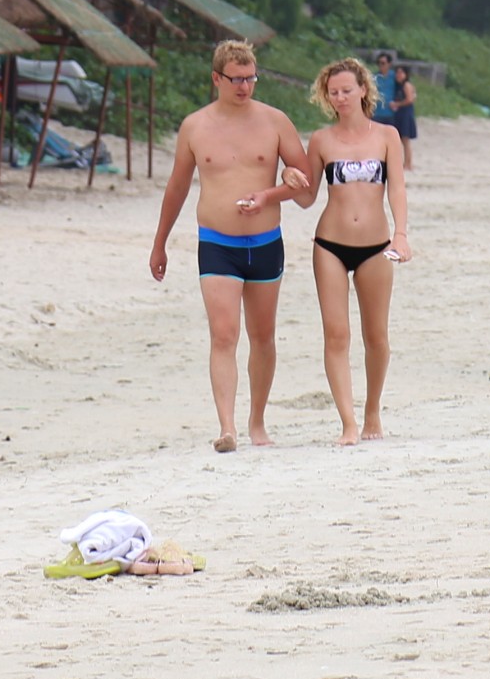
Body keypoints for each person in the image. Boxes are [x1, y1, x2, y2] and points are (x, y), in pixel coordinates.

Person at [149, 40, 309, 453]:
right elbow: (178, 186)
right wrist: (160, 243)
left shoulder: (276, 122)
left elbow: (304, 184)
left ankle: (257, 421)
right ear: (216, 78)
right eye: (236, 79)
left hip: (265, 241)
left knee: (263, 335)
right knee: (223, 334)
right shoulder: (195, 127)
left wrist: (275, 191)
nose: (244, 86)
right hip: (217, 242)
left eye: (251, 78)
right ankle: (227, 427)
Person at [289, 57, 410, 447]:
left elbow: (397, 190)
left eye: (346, 90)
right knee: (336, 334)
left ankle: (372, 409)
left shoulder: (387, 136)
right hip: (330, 244)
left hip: (377, 245)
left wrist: (401, 235)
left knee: (376, 336)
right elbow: (307, 197)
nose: (340, 98)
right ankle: (347, 422)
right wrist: (288, 179)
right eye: (333, 92)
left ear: (363, 90)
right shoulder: (322, 140)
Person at [391, 62, 418, 170]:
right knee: (402, 139)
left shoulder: (406, 85)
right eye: (397, 72)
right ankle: (406, 162)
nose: (398, 74)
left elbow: (409, 99)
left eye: (401, 72)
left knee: (405, 140)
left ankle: (408, 163)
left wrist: (396, 104)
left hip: (406, 113)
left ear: (406, 74)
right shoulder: (399, 85)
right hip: (400, 113)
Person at [372, 50, 397, 124]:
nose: (380, 65)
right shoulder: (374, 77)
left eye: (383, 63)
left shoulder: (395, 77)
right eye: (378, 63)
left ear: (389, 64)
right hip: (377, 113)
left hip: (392, 113)